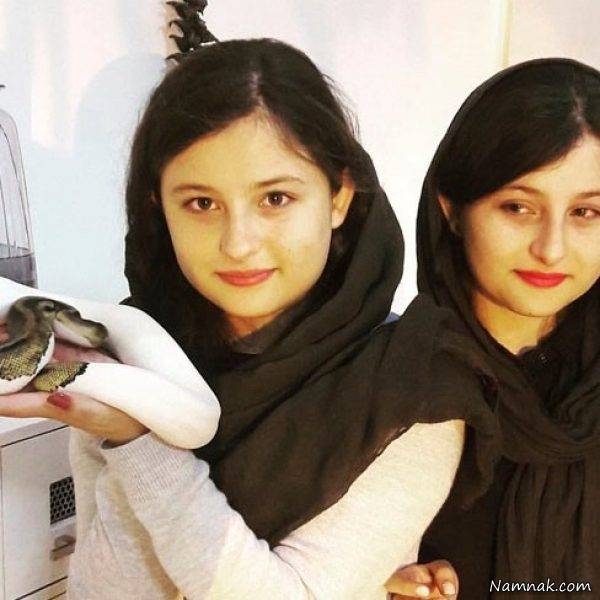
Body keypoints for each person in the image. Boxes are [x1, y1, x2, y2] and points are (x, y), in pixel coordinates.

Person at [0, 38, 495, 599]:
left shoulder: (414, 387)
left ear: (338, 197)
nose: (238, 243)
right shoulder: (126, 350)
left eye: (275, 199)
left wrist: (141, 441)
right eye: (201, 203)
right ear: (159, 207)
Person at [388, 58, 600, 599]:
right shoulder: (385, 390)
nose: (551, 248)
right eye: (518, 207)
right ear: (451, 210)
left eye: (586, 213)